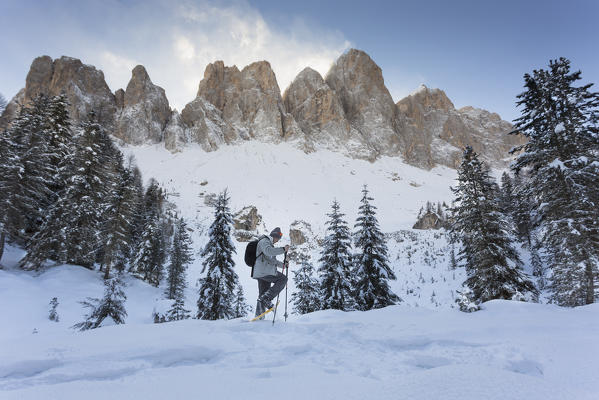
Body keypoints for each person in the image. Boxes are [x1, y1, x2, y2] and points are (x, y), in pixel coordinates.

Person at [252, 227, 290, 318]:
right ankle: (267, 298)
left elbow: (272, 261)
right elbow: (268, 252)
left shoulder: (268, 244)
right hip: (265, 271)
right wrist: (283, 249)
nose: (277, 241)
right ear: (275, 236)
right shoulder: (265, 241)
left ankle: (259, 316)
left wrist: (284, 265)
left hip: (262, 272)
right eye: (278, 239)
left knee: (262, 294)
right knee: (283, 279)